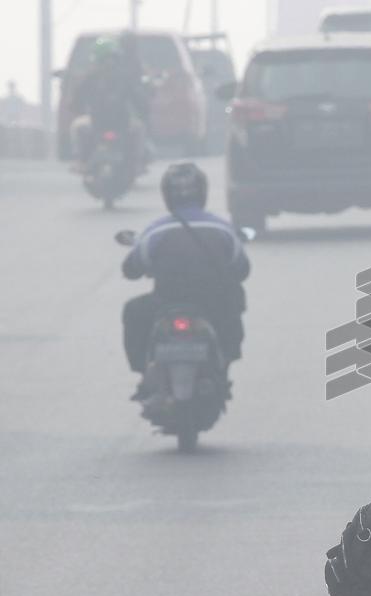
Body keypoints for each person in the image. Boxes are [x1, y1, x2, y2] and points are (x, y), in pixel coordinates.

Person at [121, 163, 250, 384]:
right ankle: (226, 362)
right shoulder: (223, 229)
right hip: (213, 303)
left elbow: (131, 269)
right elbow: (241, 269)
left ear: (167, 196)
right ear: (202, 192)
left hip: (166, 302)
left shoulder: (156, 231)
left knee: (132, 311)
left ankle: (143, 374)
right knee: (235, 299)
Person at [70, 36, 147, 167]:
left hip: (98, 123)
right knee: (139, 129)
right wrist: (142, 111)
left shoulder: (90, 78)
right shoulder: (124, 77)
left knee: (77, 126)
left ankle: (81, 161)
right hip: (121, 123)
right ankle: (137, 162)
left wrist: (77, 109)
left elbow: (77, 100)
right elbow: (138, 99)